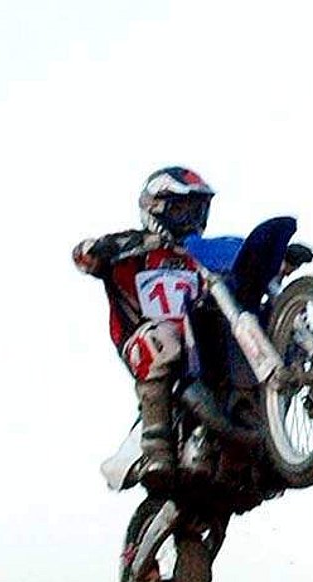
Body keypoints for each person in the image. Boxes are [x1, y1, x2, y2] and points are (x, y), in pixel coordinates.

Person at [73, 166, 219, 491]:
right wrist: (97, 250)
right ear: (156, 208)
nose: (190, 217)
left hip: (197, 341)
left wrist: (279, 259)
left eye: (196, 209)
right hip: (143, 336)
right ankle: (156, 447)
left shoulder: (200, 255)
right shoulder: (133, 248)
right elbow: (83, 257)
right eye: (181, 208)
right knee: (162, 340)